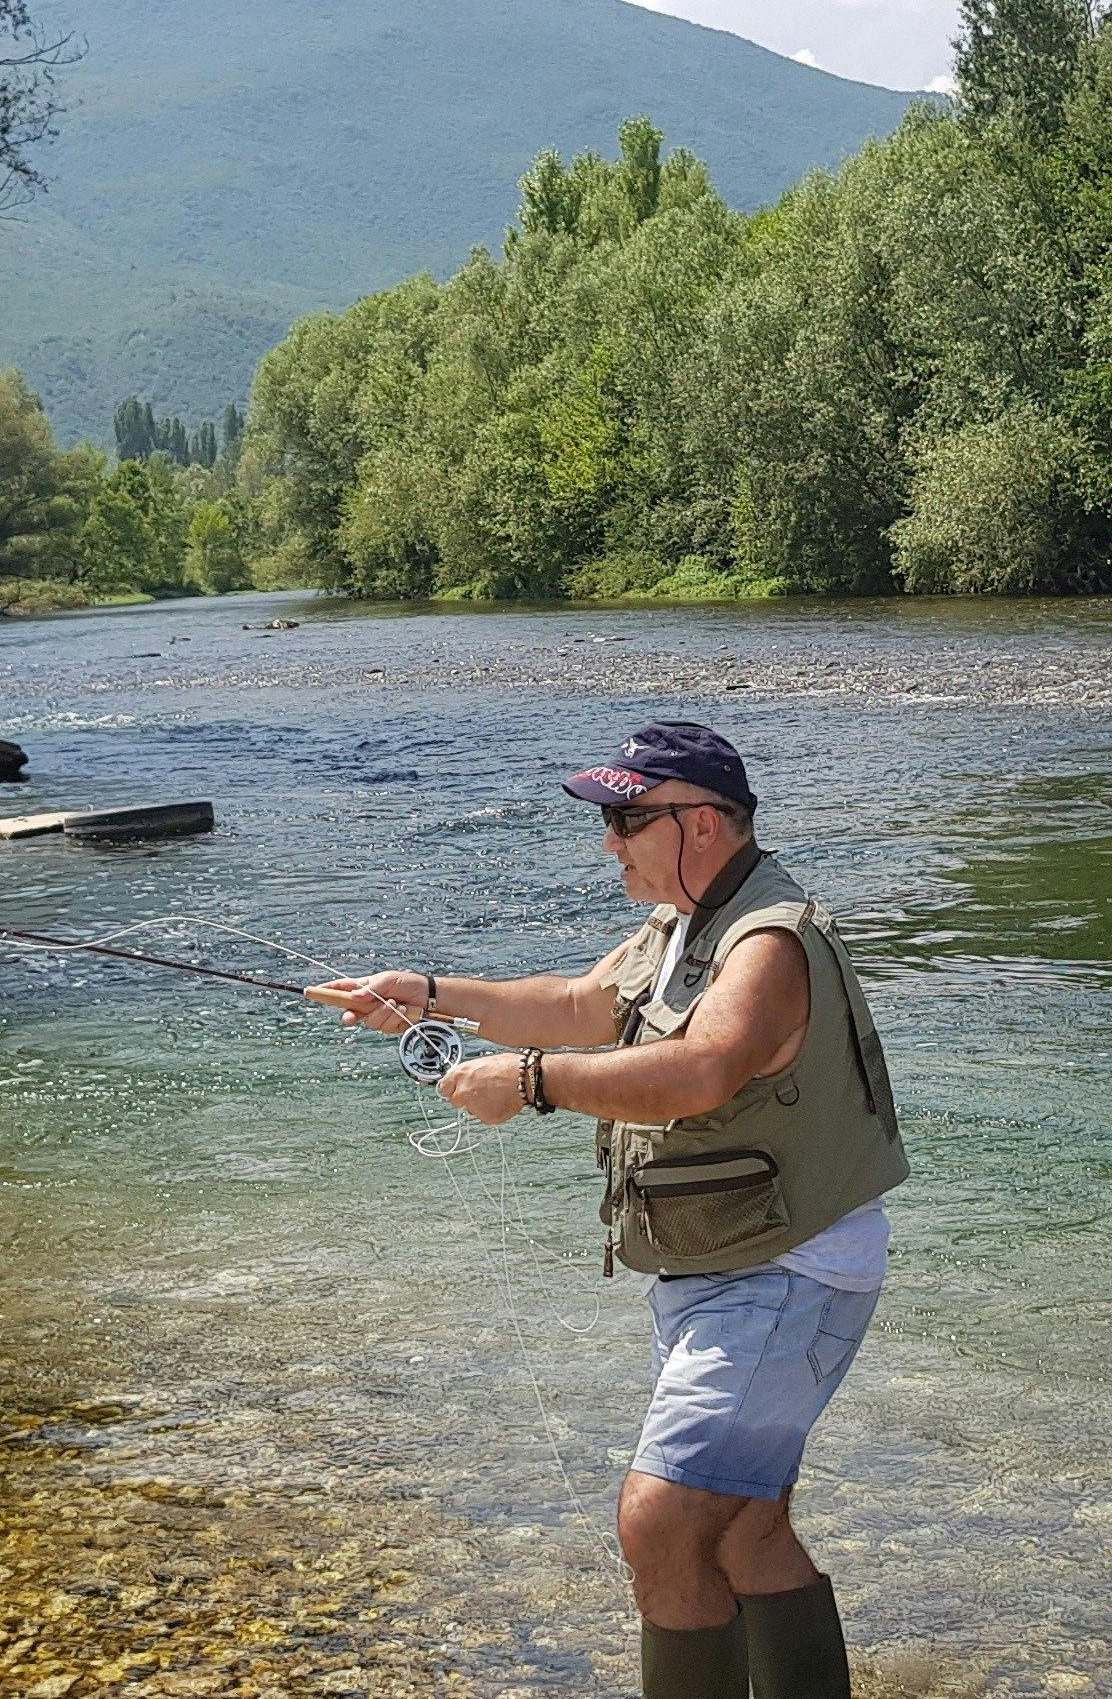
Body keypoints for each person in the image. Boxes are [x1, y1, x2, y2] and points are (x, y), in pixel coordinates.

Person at [309, 721, 906, 1699]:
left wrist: (534, 1085)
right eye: (611, 817)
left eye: (630, 817)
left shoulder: (768, 938)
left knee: (662, 1521)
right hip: (730, 1267)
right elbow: (584, 1003)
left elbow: (705, 1067)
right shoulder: (685, 923)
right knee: (748, 1531)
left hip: (784, 1273)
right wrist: (424, 994)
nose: (610, 841)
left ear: (705, 823)